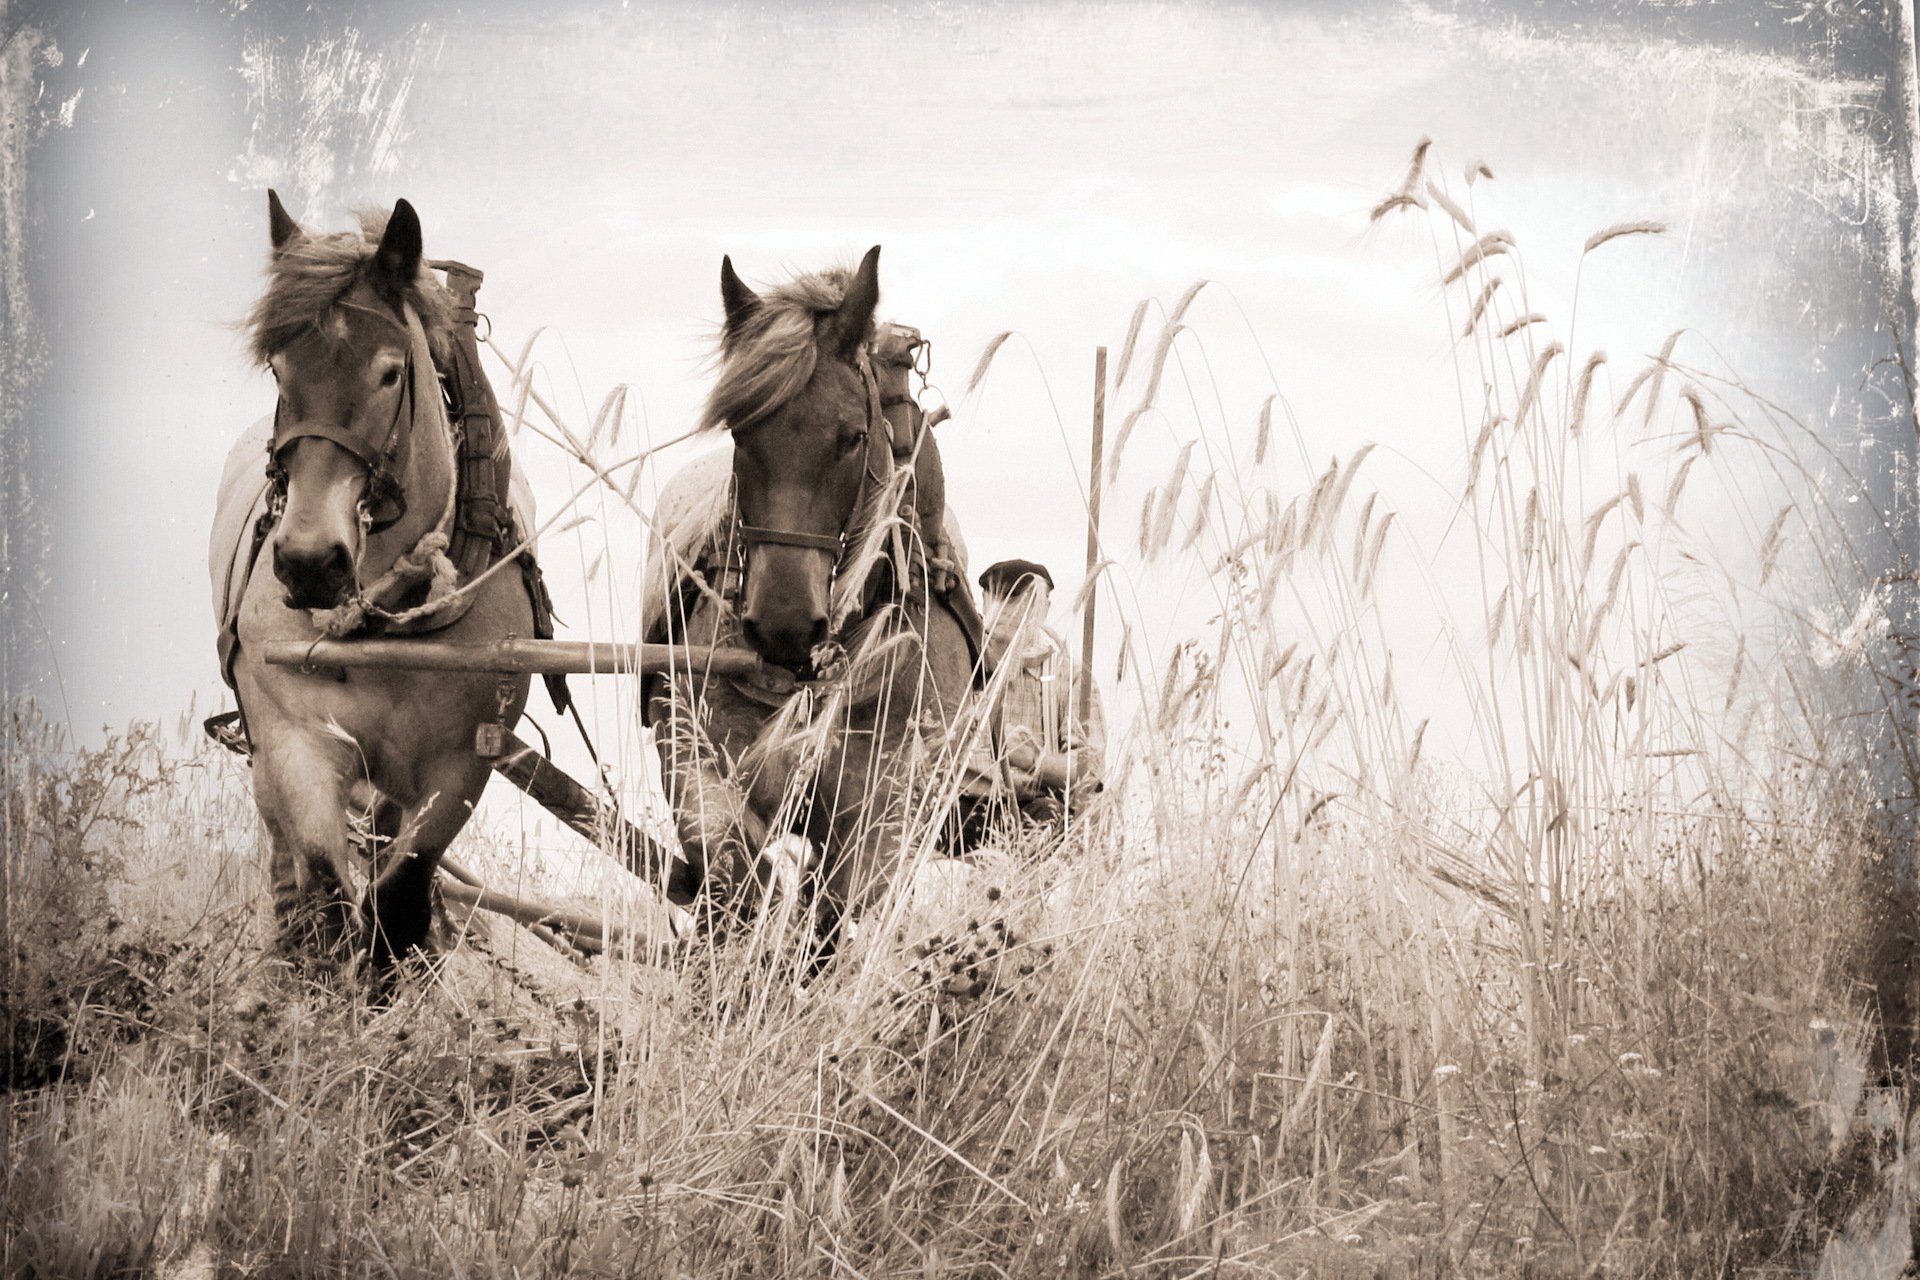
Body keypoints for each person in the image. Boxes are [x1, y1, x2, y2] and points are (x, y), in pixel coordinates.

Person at [957, 558, 1105, 846]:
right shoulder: (960, 668)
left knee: (1048, 820)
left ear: (1044, 609)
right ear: (985, 601)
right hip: (963, 807)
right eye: (1000, 596)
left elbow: (1091, 769)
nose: (1009, 610)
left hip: (1033, 810)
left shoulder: (1070, 677)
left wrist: (1038, 762)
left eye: (1021, 600)